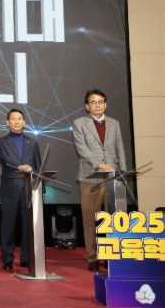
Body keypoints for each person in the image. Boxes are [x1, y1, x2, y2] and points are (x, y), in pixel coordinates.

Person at [73, 89, 126, 272]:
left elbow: (120, 148)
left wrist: (122, 173)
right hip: (90, 177)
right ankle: (92, 257)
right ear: (87, 106)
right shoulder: (80, 123)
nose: (97, 105)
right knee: (91, 219)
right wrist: (99, 164)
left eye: (100, 101)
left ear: (106, 104)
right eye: (93, 102)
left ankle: (112, 256)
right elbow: (81, 148)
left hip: (113, 178)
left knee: (114, 218)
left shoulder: (114, 123)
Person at [0, 108, 42, 270]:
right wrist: (19, 166)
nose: (16, 121)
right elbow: (4, 159)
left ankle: (26, 257)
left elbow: (38, 166)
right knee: (8, 226)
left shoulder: (32, 143)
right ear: (8, 122)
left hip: (29, 190)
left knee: (28, 226)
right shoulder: (1, 142)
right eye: (13, 119)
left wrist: (41, 190)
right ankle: (7, 258)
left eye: (19, 119)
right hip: (10, 189)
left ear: (24, 122)